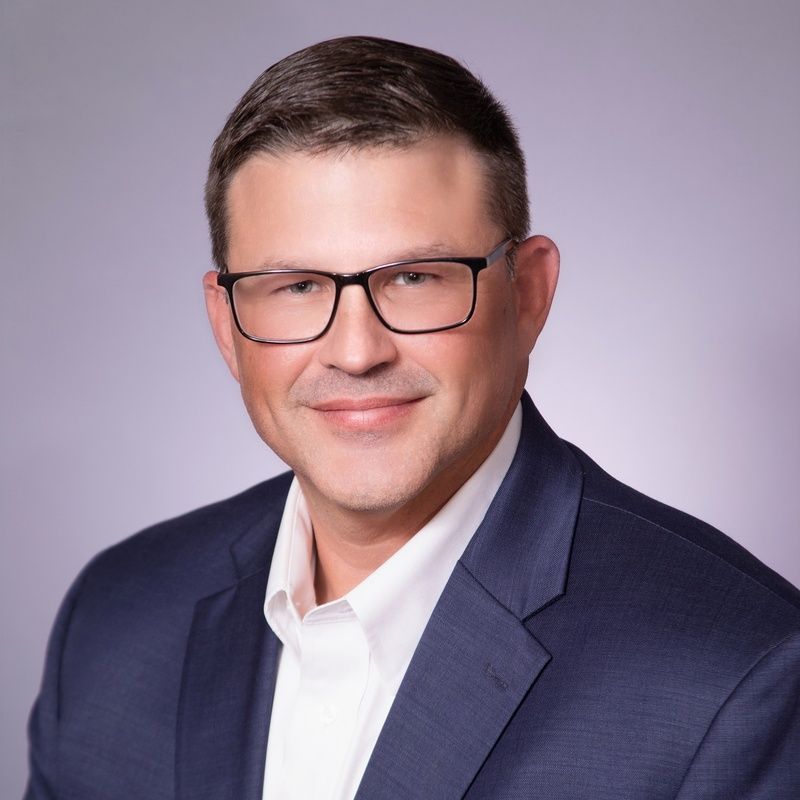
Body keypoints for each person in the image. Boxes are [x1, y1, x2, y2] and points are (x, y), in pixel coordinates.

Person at [25, 35, 799, 800]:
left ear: (527, 296)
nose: (356, 351)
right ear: (226, 325)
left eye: (416, 277)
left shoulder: (738, 676)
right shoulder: (117, 619)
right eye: (295, 286)